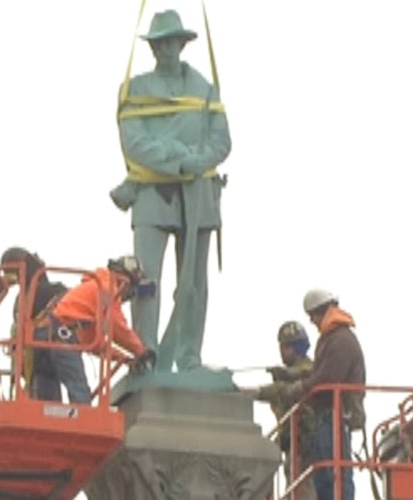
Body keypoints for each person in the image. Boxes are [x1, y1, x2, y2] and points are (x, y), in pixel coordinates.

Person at [111, 8, 232, 372]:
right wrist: (178, 158)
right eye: (159, 43)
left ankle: (188, 355)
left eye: (171, 42)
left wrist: (201, 160)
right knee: (145, 280)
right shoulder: (136, 89)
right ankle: (145, 353)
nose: (165, 49)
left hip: (198, 197)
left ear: (182, 43)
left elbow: (222, 140)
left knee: (195, 283)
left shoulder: (204, 89)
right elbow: (134, 141)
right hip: (152, 196)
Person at [33, 255, 157, 404]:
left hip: (45, 339)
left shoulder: (94, 292)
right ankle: (80, 424)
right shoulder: (107, 288)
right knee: (80, 396)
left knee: (47, 406)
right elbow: (116, 326)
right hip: (61, 339)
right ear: (126, 280)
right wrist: (141, 351)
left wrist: (125, 359)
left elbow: (97, 344)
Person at [284, 289, 366, 500]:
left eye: (313, 316)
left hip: (336, 415)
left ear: (321, 311)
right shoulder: (332, 338)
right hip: (329, 416)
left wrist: (302, 387)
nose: (312, 321)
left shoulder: (340, 340)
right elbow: (321, 372)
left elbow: (328, 378)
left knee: (334, 475)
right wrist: (296, 374)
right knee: (325, 473)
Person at [249, 321, 318, 500]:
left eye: (286, 346)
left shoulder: (308, 369)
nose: (283, 351)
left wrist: (251, 392)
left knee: (301, 482)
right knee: (293, 478)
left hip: (306, 439)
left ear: (296, 348)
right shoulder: (293, 373)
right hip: (293, 441)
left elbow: (282, 389)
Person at [0, 247, 69, 399]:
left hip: (37, 358)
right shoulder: (49, 291)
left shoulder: (25, 299)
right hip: (44, 355)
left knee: (46, 395)